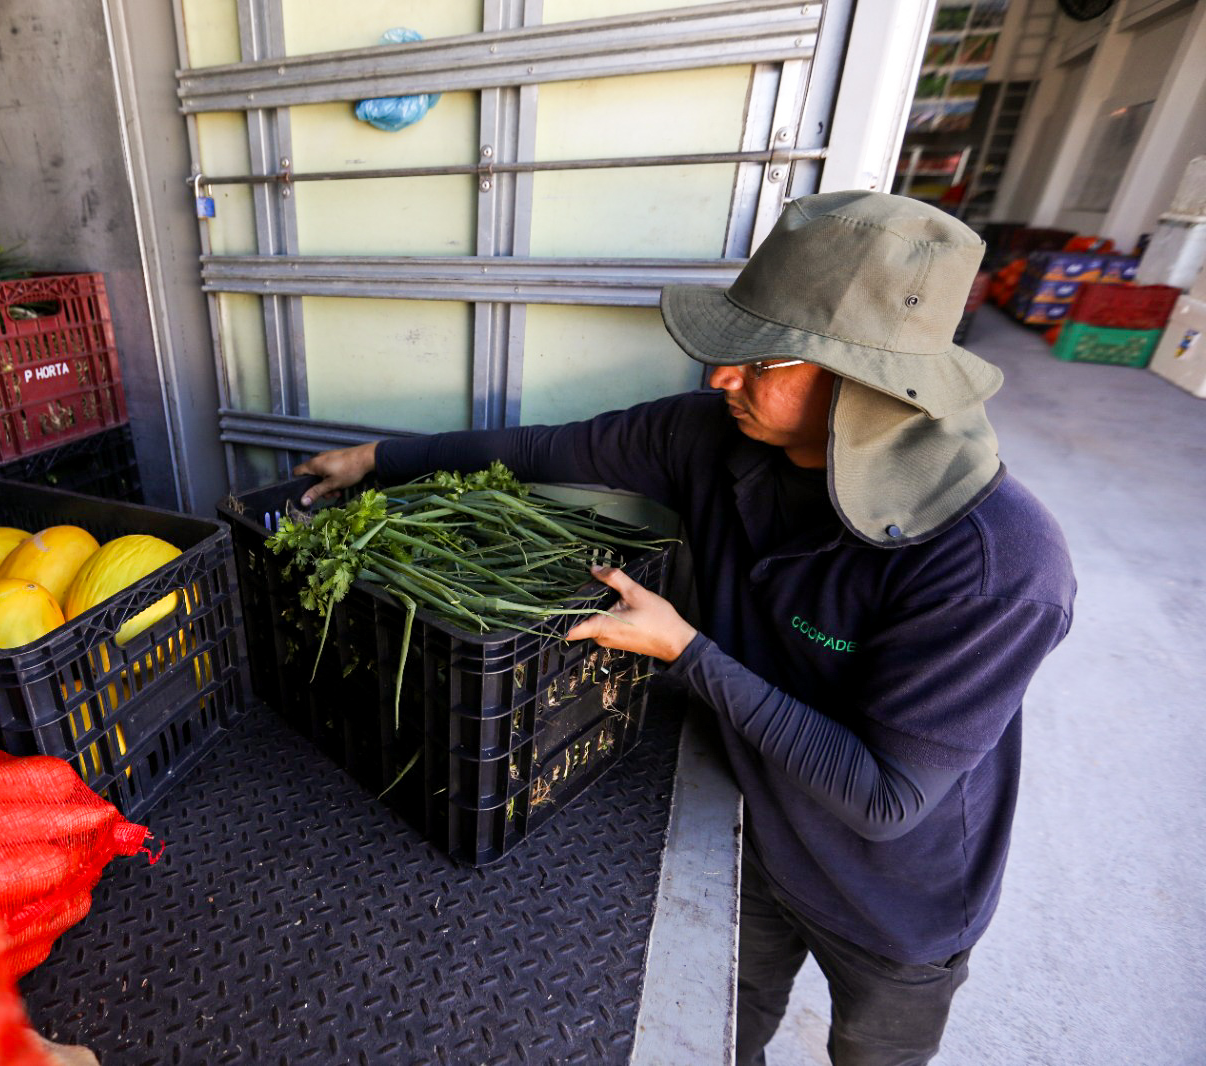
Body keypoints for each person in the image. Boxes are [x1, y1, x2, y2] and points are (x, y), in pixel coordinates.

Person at [293, 191, 1076, 1066]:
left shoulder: (996, 563)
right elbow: (553, 449)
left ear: (865, 385)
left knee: (875, 1052)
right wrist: (380, 460)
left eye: (760, 360)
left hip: (893, 904)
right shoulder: (712, 437)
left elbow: (885, 798)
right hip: (753, 837)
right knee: (722, 1026)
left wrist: (686, 652)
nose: (719, 377)